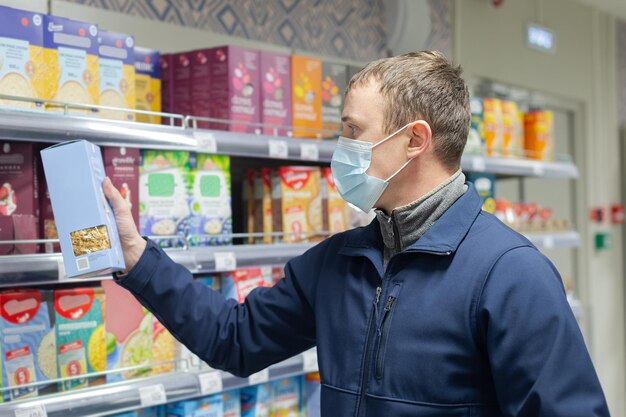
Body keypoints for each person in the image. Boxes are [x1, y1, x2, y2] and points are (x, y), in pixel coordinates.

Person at [104, 51, 610, 417]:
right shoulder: (338, 262)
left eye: (351, 131)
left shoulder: (510, 274)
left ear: (415, 140)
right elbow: (233, 339)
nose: (339, 149)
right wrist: (137, 258)